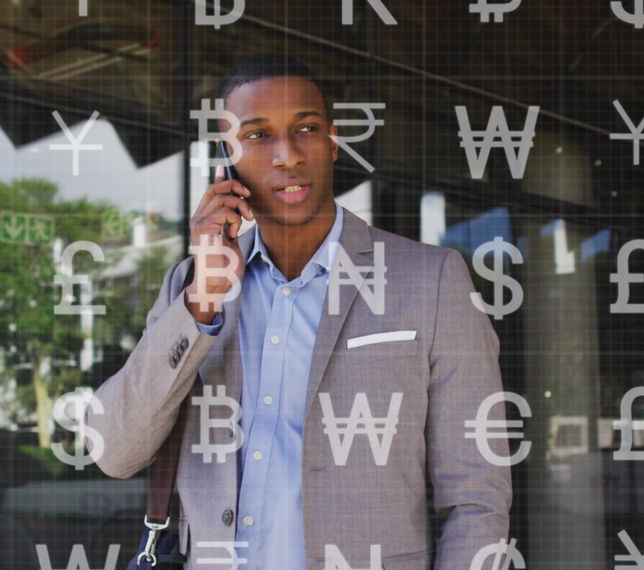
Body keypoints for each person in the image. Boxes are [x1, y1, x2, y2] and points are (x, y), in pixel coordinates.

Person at [87, 51, 511, 570]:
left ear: (332, 142)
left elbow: (476, 497)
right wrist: (200, 305)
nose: (287, 154)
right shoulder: (191, 285)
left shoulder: (432, 281)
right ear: (229, 155)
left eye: (305, 128)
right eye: (259, 134)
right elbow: (114, 451)